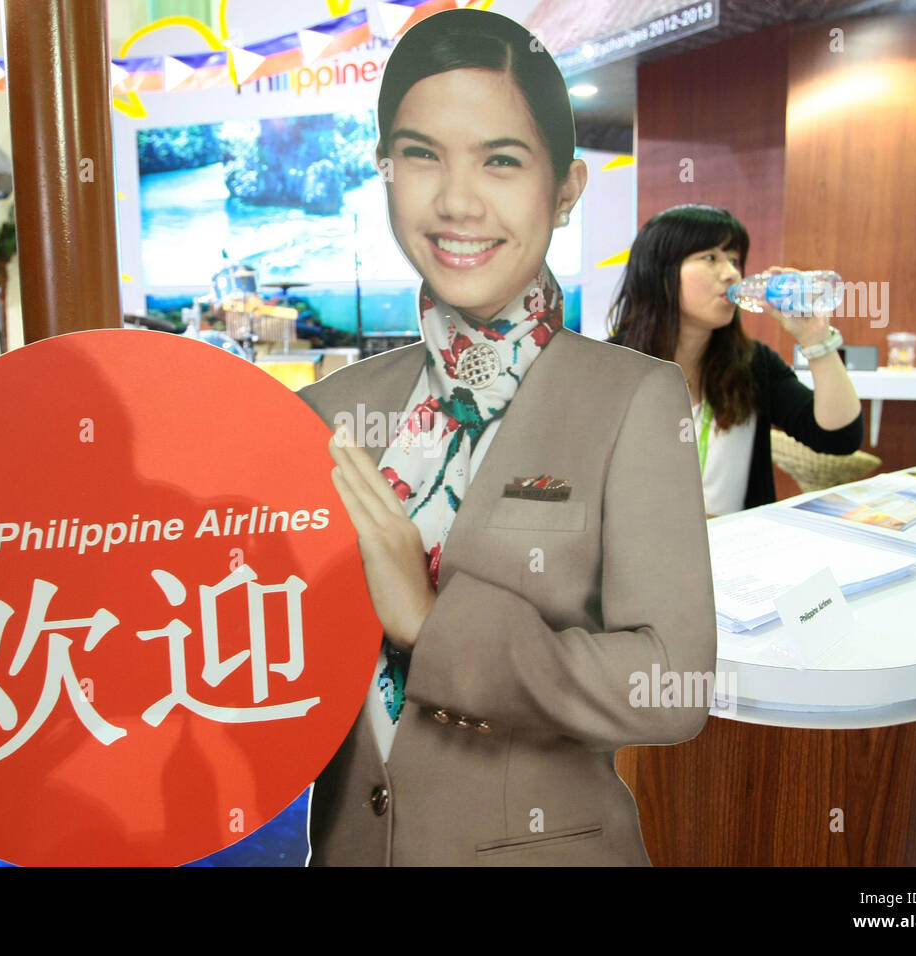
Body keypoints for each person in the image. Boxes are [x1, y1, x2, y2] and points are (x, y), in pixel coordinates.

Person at [299, 8, 716, 866]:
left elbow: (671, 685)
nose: (456, 200)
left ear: (565, 188)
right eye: (421, 155)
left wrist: (430, 622)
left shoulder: (635, 400)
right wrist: (27, 784)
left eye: (500, 160)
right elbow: (254, 656)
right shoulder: (333, 411)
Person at [607, 204, 864, 515]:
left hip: (736, 556)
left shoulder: (753, 363)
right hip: (642, 555)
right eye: (711, 258)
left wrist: (815, 337)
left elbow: (839, 438)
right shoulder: (608, 366)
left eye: (734, 260)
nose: (731, 274)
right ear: (661, 274)